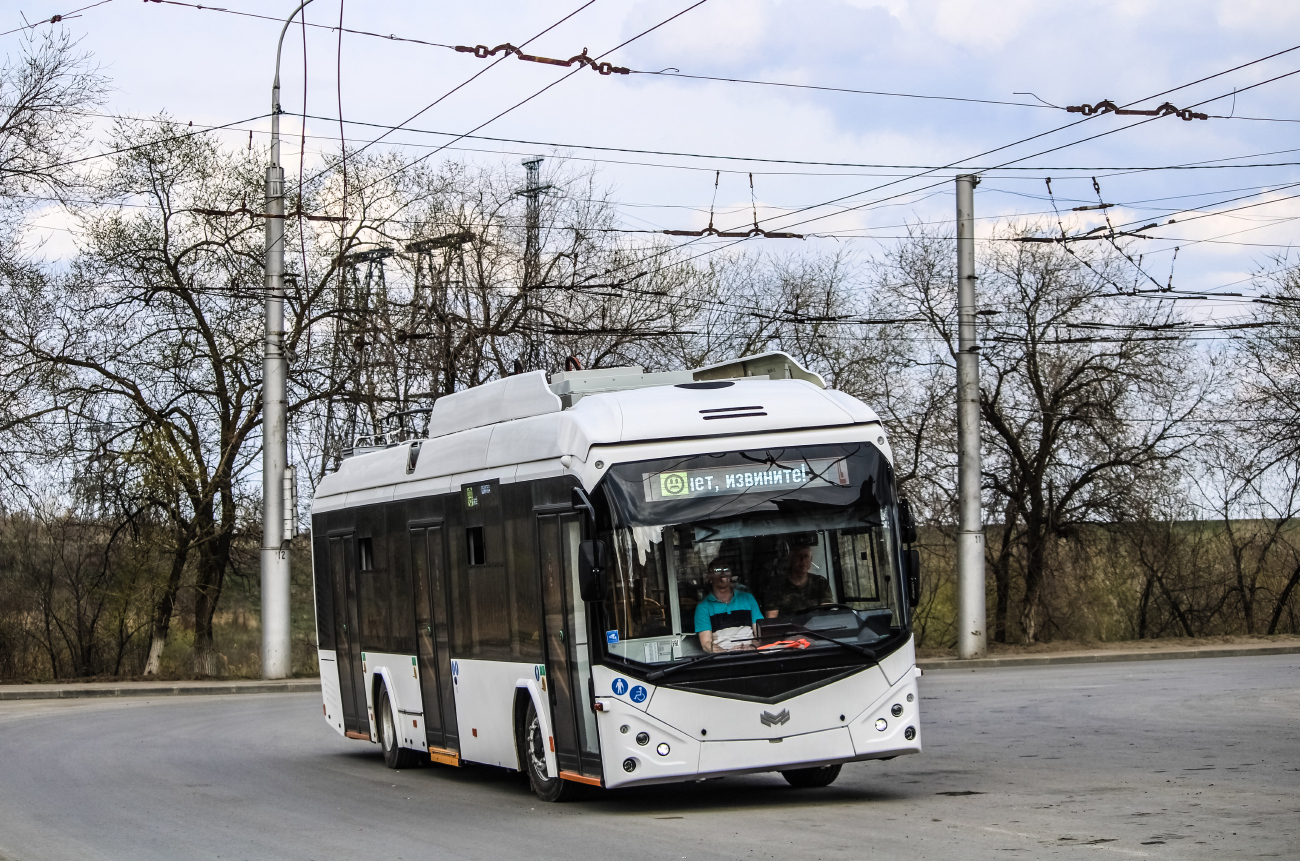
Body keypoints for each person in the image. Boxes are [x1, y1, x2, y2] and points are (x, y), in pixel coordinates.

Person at [693, 559, 763, 652]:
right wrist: (728, 653)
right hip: (723, 660)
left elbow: (760, 633)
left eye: (726, 569)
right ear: (709, 578)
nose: (723, 574)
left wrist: (752, 647)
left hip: (750, 654)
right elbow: (707, 644)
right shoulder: (703, 607)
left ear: (731, 575)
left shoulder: (748, 598)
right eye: (717, 571)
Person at [764, 544, 833, 618]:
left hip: (816, 626)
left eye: (806, 556)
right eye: (799, 556)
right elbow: (771, 618)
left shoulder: (820, 582)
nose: (803, 560)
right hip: (789, 628)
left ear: (811, 559)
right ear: (791, 559)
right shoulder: (776, 586)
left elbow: (827, 614)